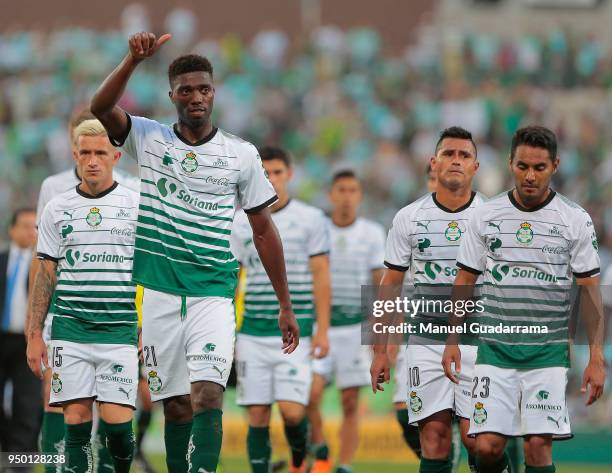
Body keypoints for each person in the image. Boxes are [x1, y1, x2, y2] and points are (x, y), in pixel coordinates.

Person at [90, 32, 299, 473]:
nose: (196, 96)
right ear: (172, 96)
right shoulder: (149, 139)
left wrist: (285, 304)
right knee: (178, 406)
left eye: (204, 88)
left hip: (213, 293)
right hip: (161, 295)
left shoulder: (241, 155)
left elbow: (264, 231)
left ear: (213, 93)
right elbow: (100, 109)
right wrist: (130, 59)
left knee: (208, 393)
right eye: (186, 89)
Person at [442, 125, 605, 473]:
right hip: (494, 350)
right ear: (510, 163)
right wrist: (452, 339)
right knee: (485, 447)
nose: (530, 176)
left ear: (556, 166)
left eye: (539, 168)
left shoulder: (574, 219)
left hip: (545, 353)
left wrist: (595, 357)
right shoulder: (485, 216)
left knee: (537, 448)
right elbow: (465, 280)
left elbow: (589, 290)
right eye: (522, 166)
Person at [26, 119, 140, 473]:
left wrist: (149, 327)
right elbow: (44, 273)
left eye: (100, 153)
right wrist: (34, 334)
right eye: (85, 153)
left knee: (118, 431)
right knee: (75, 422)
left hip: (119, 329)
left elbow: (152, 273)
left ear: (115, 156)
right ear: (75, 155)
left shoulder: (137, 203)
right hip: (69, 330)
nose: (92, 160)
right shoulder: (56, 208)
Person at [371, 127, 484, 473]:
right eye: (448, 154)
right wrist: (379, 350)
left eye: (464, 155)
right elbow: (390, 284)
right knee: (432, 438)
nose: (455, 161)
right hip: (426, 340)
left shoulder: (493, 216)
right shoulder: (409, 217)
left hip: (479, 340)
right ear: (433, 163)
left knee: (478, 441)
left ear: (475, 167)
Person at [231, 146, 330, 473]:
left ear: (289, 174)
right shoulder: (240, 222)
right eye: (265, 173)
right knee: (257, 414)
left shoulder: (311, 219)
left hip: (296, 331)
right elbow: (234, 279)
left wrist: (324, 330)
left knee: (292, 412)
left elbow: (320, 275)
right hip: (252, 331)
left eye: (277, 172)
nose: (271, 179)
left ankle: (299, 462)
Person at [307, 170, 385, 473]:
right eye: (341, 189)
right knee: (309, 395)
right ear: (331, 195)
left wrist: (379, 335)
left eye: (353, 190)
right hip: (320, 325)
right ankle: (321, 448)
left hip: (355, 327)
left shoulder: (372, 233)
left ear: (360, 196)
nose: (347, 196)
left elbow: (379, 286)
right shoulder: (318, 230)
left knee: (350, 402)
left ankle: (344, 465)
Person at [391, 163, 438, 461]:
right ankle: (439, 461)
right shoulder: (410, 220)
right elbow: (394, 283)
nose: (438, 183)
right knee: (403, 411)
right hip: (417, 334)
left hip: (465, 334)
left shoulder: (478, 218)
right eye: (432, 178)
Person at [0, 208, 40, 464]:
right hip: (1, 339)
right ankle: (6, 447)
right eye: (25, 225)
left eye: (35, 226)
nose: (30, 231)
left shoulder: (44, 263)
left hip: (29, 342)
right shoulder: (1, 260)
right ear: (11, 230)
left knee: (27, 403)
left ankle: (20, 459)